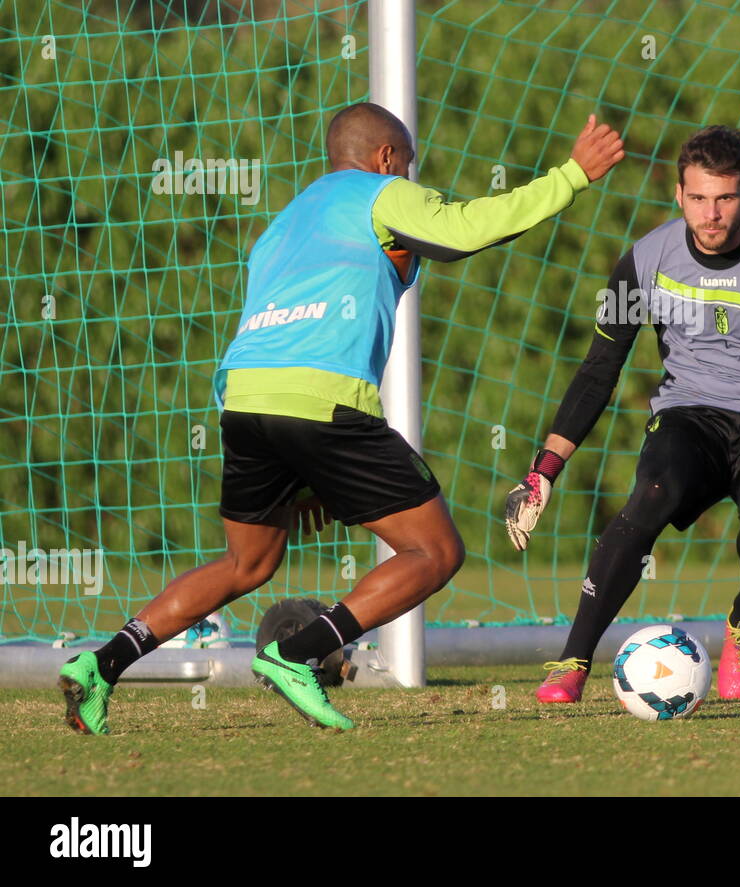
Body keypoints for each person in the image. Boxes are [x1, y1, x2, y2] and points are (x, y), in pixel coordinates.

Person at [58, 103, 625, 733]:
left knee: (246, 564)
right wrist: (572, 175)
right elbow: (470, 228)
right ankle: (297, 654)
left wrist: (299, 472)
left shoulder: (281, 226)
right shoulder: (383, 193)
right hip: (323, 400)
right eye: (407, 162)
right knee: (435, 550)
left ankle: (99, 667)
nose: (410, 176)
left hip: (245, 402)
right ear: (386, 157)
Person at [504, 124, 740, 703]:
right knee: (651, 493)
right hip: (691, 413)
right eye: (698, 198)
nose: (711, 214)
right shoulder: (647, 261)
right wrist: (543, 471)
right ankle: (572, 660)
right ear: (678, 195)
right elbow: (599, 370)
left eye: (725, 197)